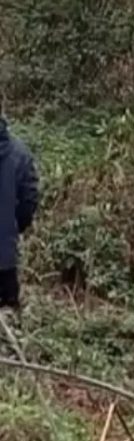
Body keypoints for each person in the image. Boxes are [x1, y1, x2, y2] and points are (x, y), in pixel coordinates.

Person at [0, 103, 40, 312]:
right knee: (9, 318)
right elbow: (29, 200)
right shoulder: (19, 154)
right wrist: (13, 227)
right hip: (4, 258)